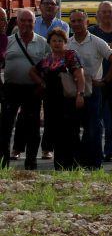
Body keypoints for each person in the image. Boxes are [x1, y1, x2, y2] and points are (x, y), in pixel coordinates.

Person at [69, 10, 112, 168]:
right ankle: (77, 161)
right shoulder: (68, 43)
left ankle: (94, 163)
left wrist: (106, 80)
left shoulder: (97, 42)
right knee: (73, 128)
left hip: (93, 89)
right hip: (73, 90)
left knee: (93, 127)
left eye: (80, 21)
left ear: (87, 23)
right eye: (74, 21)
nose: (77, 24)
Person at [29, 27, 85, 170]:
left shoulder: (70, 55)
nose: (57, 43)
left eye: (60, 41)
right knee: (57, 135)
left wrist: (80, 94)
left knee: (71, 134)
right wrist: (41, 83)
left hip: (68, 101)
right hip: (51, 103)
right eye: (54, 41)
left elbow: (80, 76)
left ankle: (74, 166)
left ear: (65, 42)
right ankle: (60, 167)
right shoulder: (47, 59)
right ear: (49, 42)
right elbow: (32, 72)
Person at [0, 10, 48, 168]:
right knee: (6, 126)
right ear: (17, 23)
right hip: (11, 89)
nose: (27, 24)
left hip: (33, 90)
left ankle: (31, 163)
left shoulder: (43, 42)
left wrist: (43, 84)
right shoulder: (8, 41)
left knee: (33, 127)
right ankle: (3, 164)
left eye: (30, 21)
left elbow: (51, 66)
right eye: (23, 21)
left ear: (35, 23)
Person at [90, 1, 112, 164]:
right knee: (95, 121)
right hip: (96, 83)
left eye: (110, 12)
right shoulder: (92, 32)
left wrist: (101, 47)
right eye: (103, 12)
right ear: (98, 15)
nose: (107, 15)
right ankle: (94, 158)